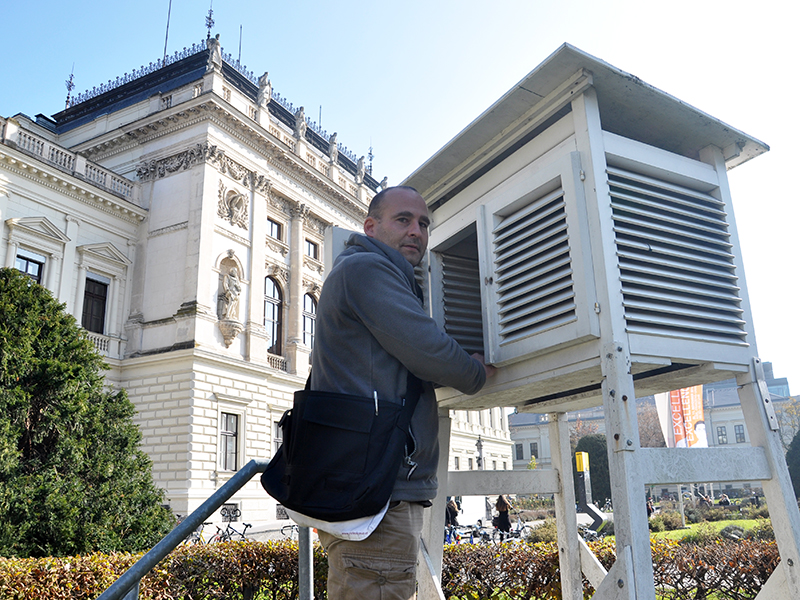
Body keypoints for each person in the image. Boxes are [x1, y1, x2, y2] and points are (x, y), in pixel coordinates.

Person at [310, 186, 497, 600]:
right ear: (370, 227)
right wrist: (474, 371)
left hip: (367, 489)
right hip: (380, 494)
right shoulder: (367, 270)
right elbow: (426, 347)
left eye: (424, 223)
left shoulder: (364, 271)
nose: (417, 231)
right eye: (403, 220)